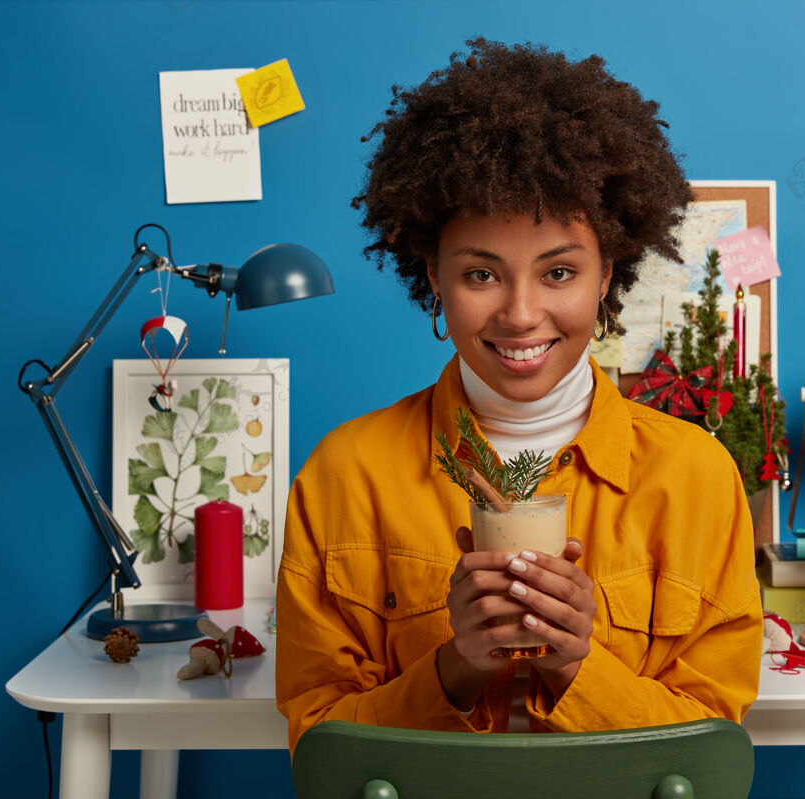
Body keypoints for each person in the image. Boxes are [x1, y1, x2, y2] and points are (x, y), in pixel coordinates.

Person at [276, 38, 762, 754]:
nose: (522, 313)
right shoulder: (344, 474)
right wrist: (456, 666)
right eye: (481, 275)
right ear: (433, 277)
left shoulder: (696, 478)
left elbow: (709, 752)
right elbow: (319, 748)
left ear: (607, 277)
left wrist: (576, 665)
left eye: (559, 272)